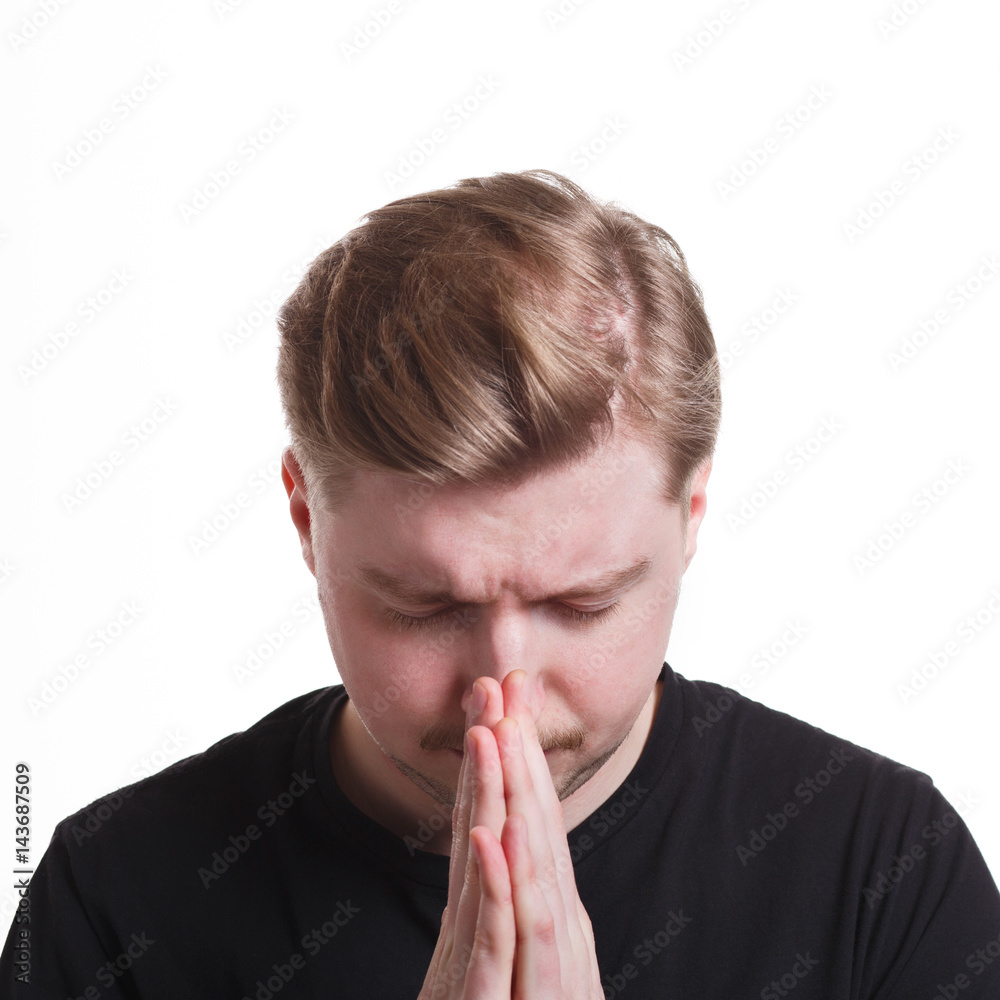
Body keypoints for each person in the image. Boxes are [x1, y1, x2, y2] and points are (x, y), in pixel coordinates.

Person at [3, 169, 998, 999]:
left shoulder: (880, 869)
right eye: (424, 607)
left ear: (691, 516)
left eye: (583, 603)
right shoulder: (112, 900)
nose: (501, 691)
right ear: (307, 521)